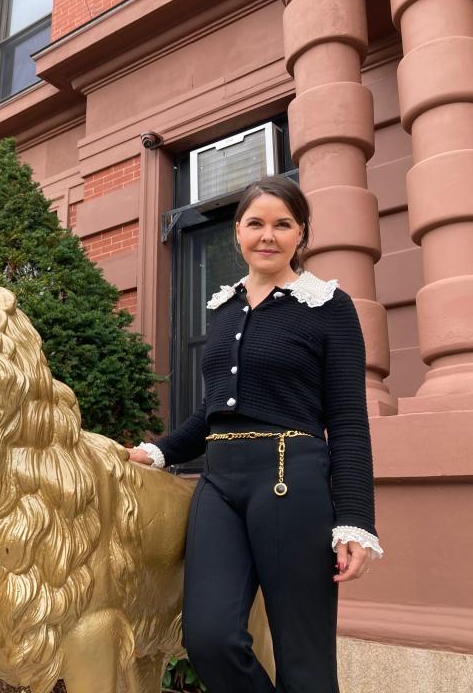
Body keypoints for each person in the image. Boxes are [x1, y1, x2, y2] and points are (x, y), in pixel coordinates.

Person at [129, 175, 383, 693]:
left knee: (303, 655)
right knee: (208, 637)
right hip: (218, 485)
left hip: (292, 479)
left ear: (301, 234)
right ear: (238, 234)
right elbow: (213, 410)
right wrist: (158, 451)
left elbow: (350, 421)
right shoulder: (224, 308)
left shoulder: (328, 306)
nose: (268, 235)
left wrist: (355, 520)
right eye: (256, 224)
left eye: (282, 224)